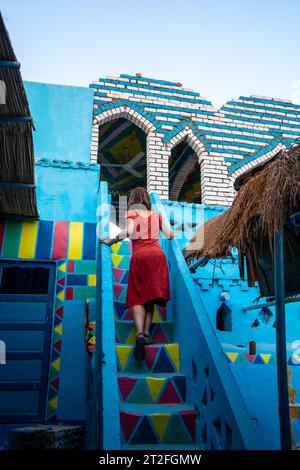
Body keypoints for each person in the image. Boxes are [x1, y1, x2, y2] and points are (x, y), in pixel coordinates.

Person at [101, 187, 174, 361]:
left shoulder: (132, 214)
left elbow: (128, 232)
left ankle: (140, 334)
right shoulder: (157, 215)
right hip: (157, 257)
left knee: (138, 296)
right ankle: (147, 334)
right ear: (147, 200)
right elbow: (170, 236)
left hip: (140, 257)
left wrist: (111, 242)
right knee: (150, 298)